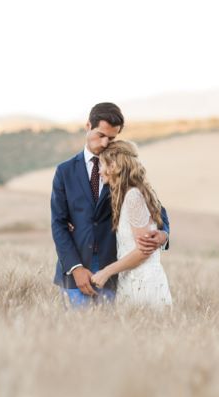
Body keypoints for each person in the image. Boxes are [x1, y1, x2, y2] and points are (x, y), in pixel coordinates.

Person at [50, 102, 170, 308]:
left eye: (112, 138)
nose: (105, 143)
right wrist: (75, 267)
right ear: (88, 126)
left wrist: (163, 233)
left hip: (115, 268)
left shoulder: (122, 169)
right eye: (101, 135)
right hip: (75, 266)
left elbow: (156, 208)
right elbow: (58, 223)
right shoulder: (65, 171)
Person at [90, 141, 173, 308]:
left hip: (142, 283)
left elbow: (143, 251)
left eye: (102, 165)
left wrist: (106, 272)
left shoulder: (133, 196)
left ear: (113, 166)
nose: (99, 171)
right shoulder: (130, 194)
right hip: (132, 279)